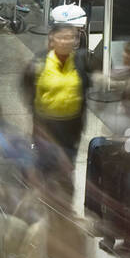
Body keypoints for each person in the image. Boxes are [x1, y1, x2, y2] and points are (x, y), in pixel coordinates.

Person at [21, 22, 95, 169]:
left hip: (71, 129)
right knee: (46, 169)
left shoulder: (80, 61)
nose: (66, 41)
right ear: (52, 39)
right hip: (46, 129)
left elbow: (85, 88)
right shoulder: (40, 61)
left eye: (70, 37)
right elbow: (27, 85)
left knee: (66, 169)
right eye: (61, 37)